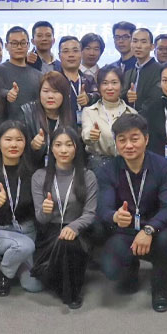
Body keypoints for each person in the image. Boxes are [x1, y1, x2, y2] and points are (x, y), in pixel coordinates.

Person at [98, 113, 167, 312]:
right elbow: (104, 209)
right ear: (116, 143)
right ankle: (130, 270)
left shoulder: (163, 167)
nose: (128, 145)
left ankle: (160, 290)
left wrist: (149, 229)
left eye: (134, 139)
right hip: (125, 231)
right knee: (111, 269)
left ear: (146, 139)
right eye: (122, 140)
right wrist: (115, 216)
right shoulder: (108, 170)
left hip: (156, 229)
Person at [31, 127, 97, 309]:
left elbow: (90, 213)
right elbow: (40, 219)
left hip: (78, 230)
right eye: (58, 145)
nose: (63, 150)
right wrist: (45, 211)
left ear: (76, 148)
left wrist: (73, 227)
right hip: (49, 232)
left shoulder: (88, 176)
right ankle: (63, 282)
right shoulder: (39, 176)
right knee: (63, 245)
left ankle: (70, 293)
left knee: (69, 243)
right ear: (51, 148)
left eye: (69, 145)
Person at [0, 120, 42, 296]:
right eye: (8, 139)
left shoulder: (33, 172)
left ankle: (14, 260)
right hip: (0, 230)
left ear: (26, 143)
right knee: (25, 246)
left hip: (26, 231)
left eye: (19, 140)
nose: (13, 144)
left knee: (34, 285)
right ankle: (4, 274)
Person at [81, 65, 137, 169]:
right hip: (99, 166)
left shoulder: (131, 113)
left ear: (121, 86)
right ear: (99, 87)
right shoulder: (90, 111)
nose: (110, 87)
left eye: (114, 83)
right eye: (105, 83)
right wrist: (91, 135)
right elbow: (86, 134)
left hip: (127, 165)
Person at [20, 71, 74, 168]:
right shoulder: (27, 113)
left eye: (56, 92)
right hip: (33, 169)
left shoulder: (69, 116)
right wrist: (32, 146)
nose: (50, 96)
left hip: (62, 169)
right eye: (45, 91)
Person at [0, 26, 43, 120]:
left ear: (28, 45)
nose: (19, 47)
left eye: (23, 43)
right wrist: (6, 93)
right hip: (6, 125)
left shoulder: (39, 75)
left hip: (32, 126)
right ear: (6, 46)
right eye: (14, 43)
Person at [57, 36, 99, 126]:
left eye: (75, 51)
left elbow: (99, 96)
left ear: (81, 54)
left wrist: (89, 98)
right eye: (66, 51)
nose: (71, 55)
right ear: (59, 56)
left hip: (87, 128)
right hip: (62, 129)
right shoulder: (54, 80)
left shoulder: (89, 79)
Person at [122, 28, 163, 112]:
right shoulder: (129, 72)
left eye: (143, 42)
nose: (138, 46)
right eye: (135, 41)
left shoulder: (160, 70)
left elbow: (154, 101)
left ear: (152, 47)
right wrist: (127, 96)